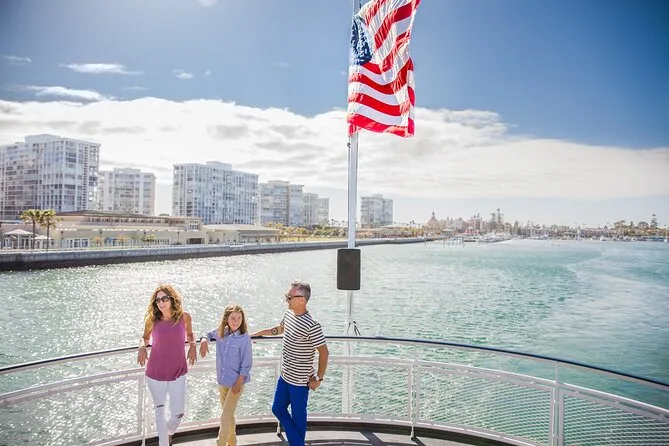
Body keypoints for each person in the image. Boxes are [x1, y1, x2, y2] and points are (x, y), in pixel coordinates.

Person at [251, 280, 329, 446]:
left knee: (298, 418)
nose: (286, 299)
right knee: (277, 408)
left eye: (289, 297)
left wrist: (319, 378)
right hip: (285, 377)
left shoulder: (312, 325)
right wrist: (258, 334)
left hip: (300, 383)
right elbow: (279, 329)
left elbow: (324, 352)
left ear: (301, 299)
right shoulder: (288, 315)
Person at [137, 285, 197, 446]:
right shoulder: (152, 320)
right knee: (160, 412)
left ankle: (168, 433)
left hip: (178, 371)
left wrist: (192, 345)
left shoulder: (184, 317)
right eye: (157, 300)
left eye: (164, 298)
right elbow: (144, 337)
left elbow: (190, 334)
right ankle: (164, 442)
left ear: (172, 299)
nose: (161, 303)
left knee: (178, 413)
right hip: (155, 373)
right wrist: (142, 347)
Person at [199, 304, 253, 446]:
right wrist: (204, 340)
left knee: (224, 417)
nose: (236, 321)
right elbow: (207, 333)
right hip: (222, 381)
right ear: (226, 319)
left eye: (239, 318)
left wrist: (238, 383)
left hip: (237, 383)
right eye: (233, 318)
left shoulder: (244, 338)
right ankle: (232, 442)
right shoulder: (221, 332)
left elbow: (247, 364)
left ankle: (221, 443)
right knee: (228, 415)